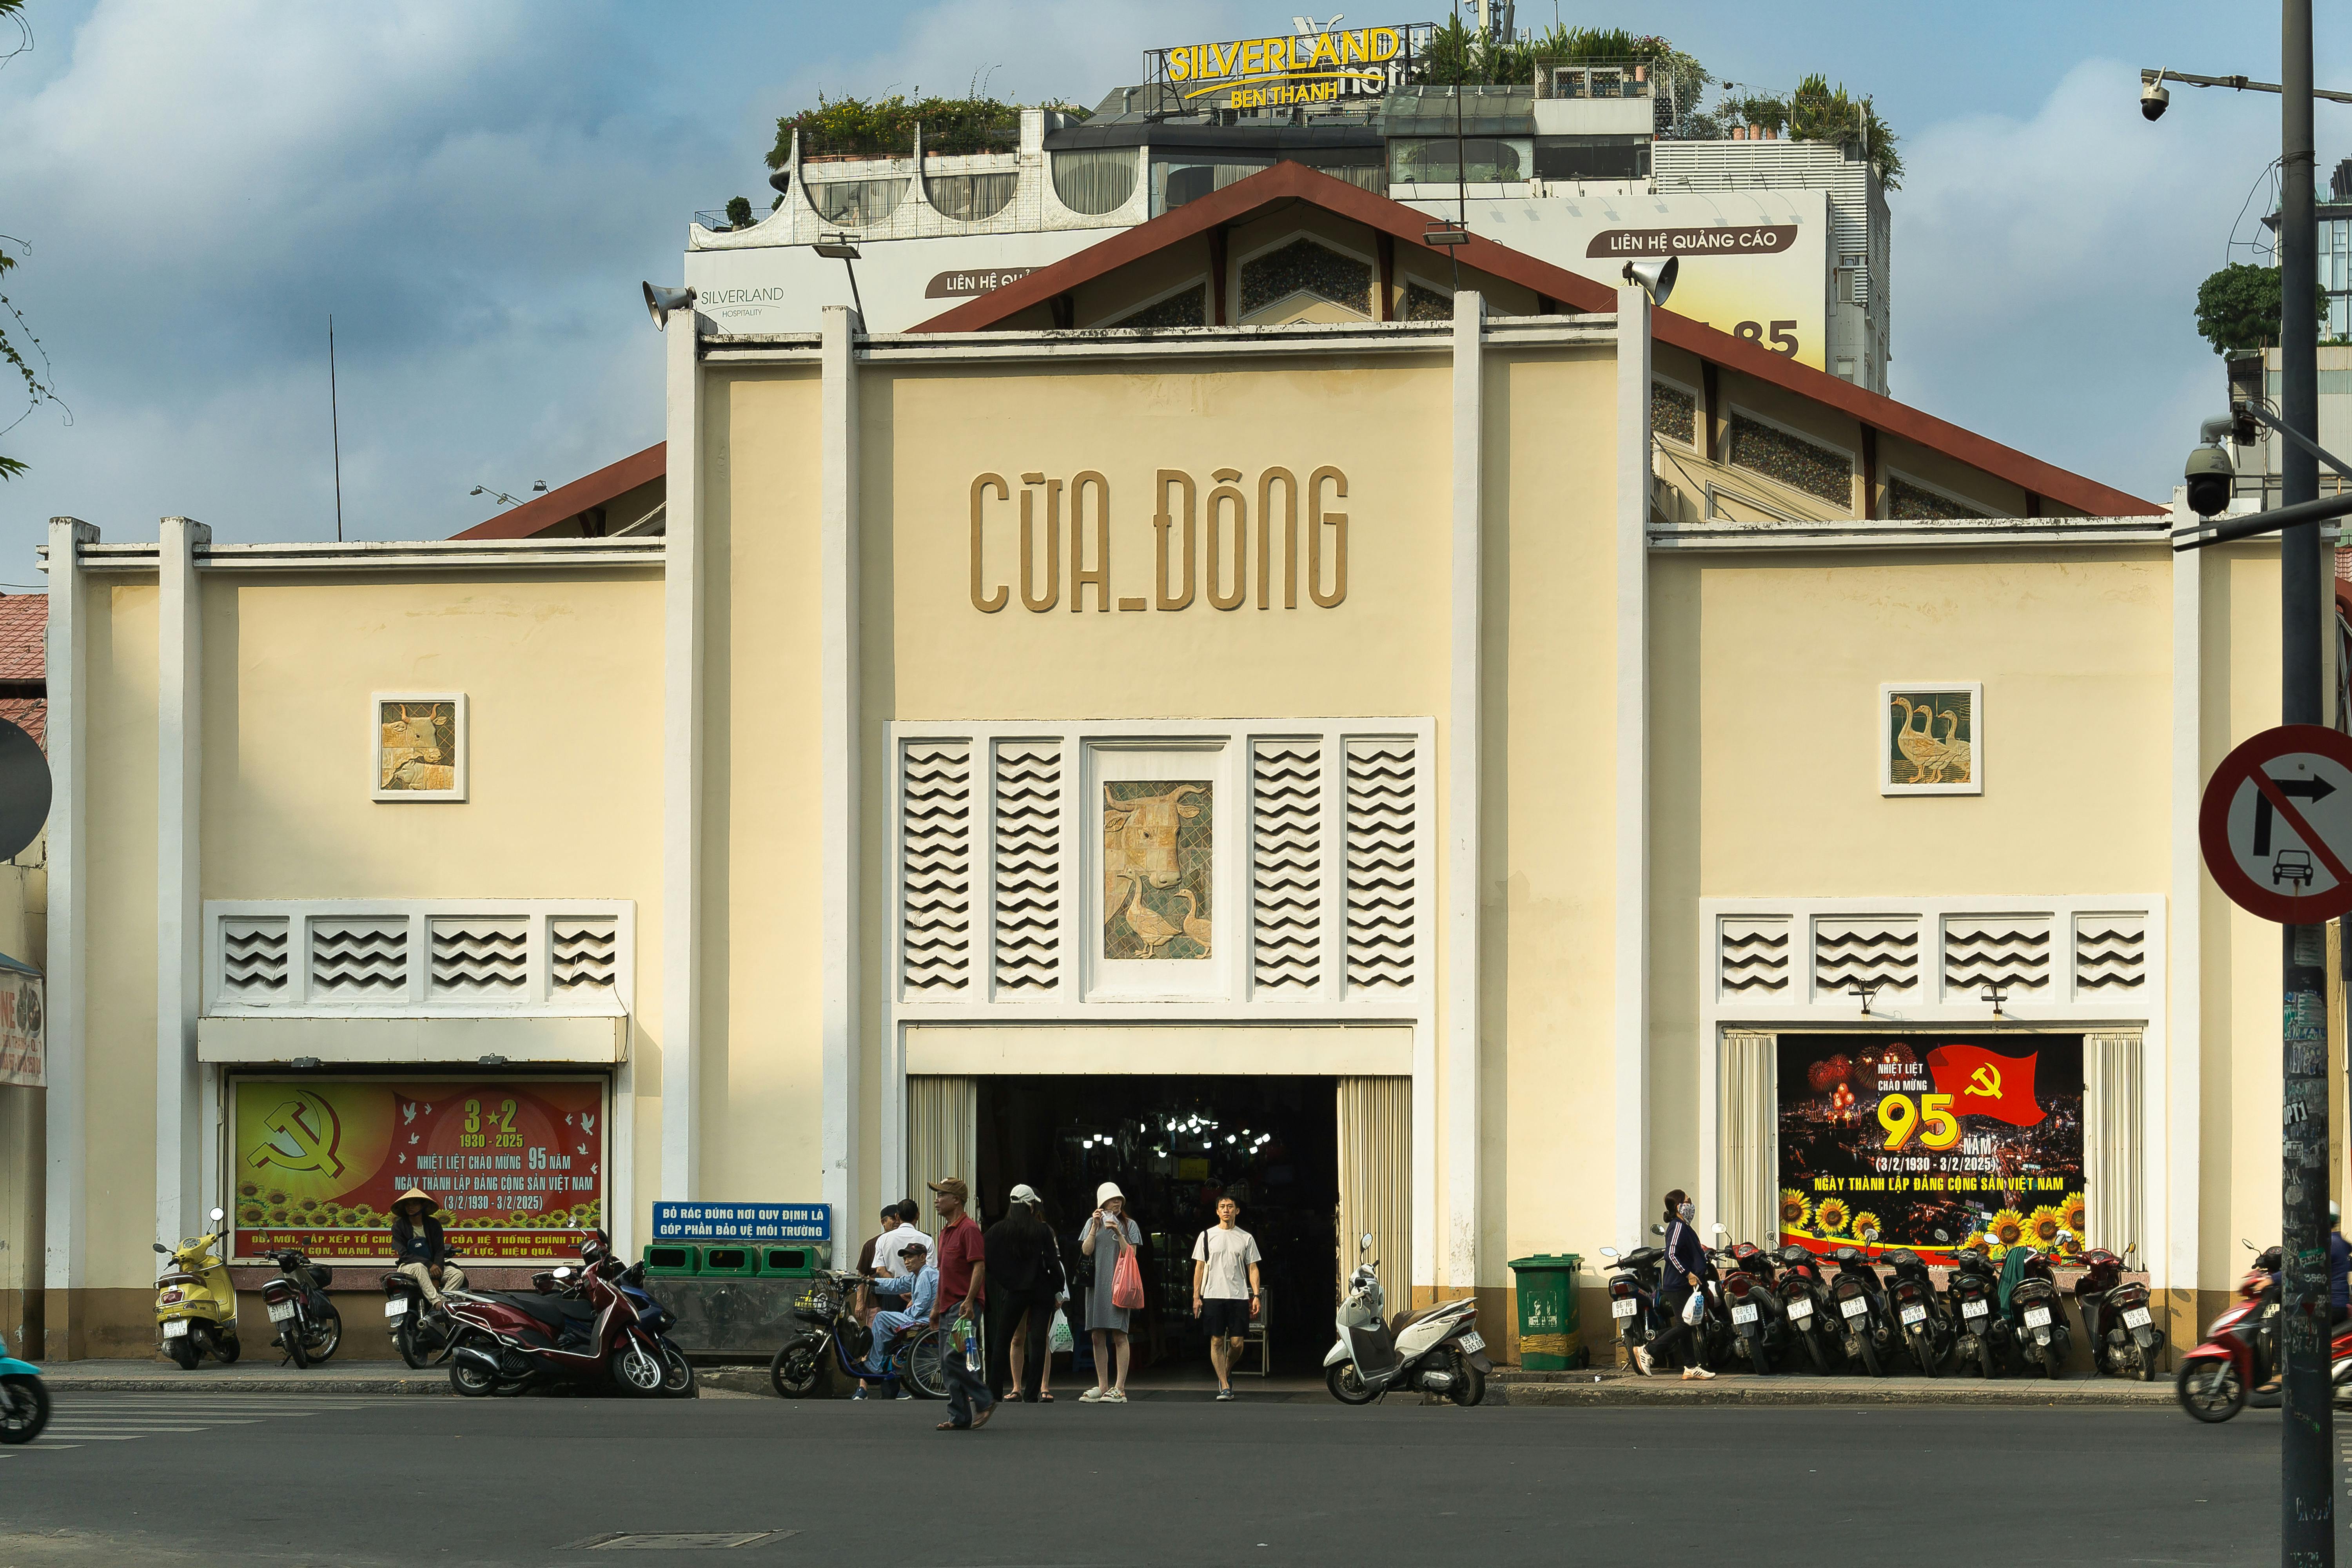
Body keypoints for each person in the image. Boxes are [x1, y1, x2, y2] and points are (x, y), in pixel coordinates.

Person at [928, 1176, 995, 1431]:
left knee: (954, 1356)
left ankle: (985, 1400)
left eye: (941, 1195)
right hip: (947, 1307)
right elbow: (945, 1274)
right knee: (947, 1362)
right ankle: (960, 1416)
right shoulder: (945, 1233)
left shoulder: (969, 1229)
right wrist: (936, 1306)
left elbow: (979, 1266)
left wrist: (970, 1300)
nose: (936, 1200)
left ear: (956, 1200)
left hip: (963, 1307)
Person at [1633, 1188, 1715, 1381]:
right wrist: (1688, 1274)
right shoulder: (1677, 1226)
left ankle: (1691, 1367)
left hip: (1684, 1285)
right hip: (1678, 1285)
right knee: (1685, 1326)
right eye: (1688, 1201)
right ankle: (1647, 1350)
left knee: (1686, 1325)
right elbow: (1670, 1254)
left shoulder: (1685, 1226)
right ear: (1679, 1207)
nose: (1691, 1204)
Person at [984, 1185, 1055, 1403]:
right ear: (1031, 1205)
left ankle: (994, 1392)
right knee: (1038, 1340)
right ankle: (1033, 1393)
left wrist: (1003, 1279)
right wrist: (1058, 1286)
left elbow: (983, 1254)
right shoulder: (1042, 1230)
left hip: (1015, 1291)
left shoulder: (999, 1229)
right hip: (1042, 1291)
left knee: (1003, 1339)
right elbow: (1053, 1262)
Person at [1191, 1194, 1262, 1400]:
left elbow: (1253, 1267)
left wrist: (1256, 1295)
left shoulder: (1246, 1237)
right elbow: (1199, 1267)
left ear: (1237, 1211)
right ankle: (1224, 1385)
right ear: (1217, 1211)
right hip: (1213, 1295)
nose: (1226, 1210)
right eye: (1222, 1207)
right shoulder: (1206, 1236)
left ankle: (1227, 1369)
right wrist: (1196, 1297)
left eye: (1230, 1207)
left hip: (1239, 1296)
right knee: (1217, 1341)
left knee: (1238, 1343)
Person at [1078, 1182, 1142, 1403]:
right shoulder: (1091, 1223)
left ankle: (1120, 1388)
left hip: (1119, 1286)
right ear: (1102, 1202)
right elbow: (1086, 1251)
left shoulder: (1129, 1225)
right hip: (1096, 1286)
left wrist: (1118, 1231)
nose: (1117, 1203)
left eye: (1119, 1200)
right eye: (1113, 1199)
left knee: (1119, 1334)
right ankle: (1103, 1385)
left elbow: (1131, 1254)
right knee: (1097, 1335)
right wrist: (1095, 1226)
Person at [1005, 1184, 1066, 1402]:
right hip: (1021, 1289)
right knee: (1019, 1338)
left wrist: (1059, 1291)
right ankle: (1016, 1387)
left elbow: (1054, 1262)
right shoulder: (1010, 1230)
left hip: (1040, 1288)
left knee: (1039, 1339)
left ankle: (1043, 1386)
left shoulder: (1045, 1230)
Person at [858, 1238, 936, 1402]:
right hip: (921, 1318)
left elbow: (921, 1305)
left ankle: (873, 1365)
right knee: (886, 1321)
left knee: (881, 1317)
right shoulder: (917, 1276)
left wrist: (907, 1313)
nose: (907, 1262)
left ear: (923, 1258)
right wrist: (868, 1281)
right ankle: (880, 1360)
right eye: (905, 1259)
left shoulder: (926, 1275)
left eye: (911, 1258)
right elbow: (896, 1285)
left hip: (923, 1322)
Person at [389, 1187, 467, 1312]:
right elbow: (404, 1254)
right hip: (408, 1267)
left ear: (423, 1206)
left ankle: (443, 1301)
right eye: (408, 1205)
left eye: (415, 1204)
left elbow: (439, 1251)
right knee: (419, 1267)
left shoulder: (434, 1225)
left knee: (457, 1274)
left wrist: (437, 1276)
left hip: (432, 1267)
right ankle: (436, 1303)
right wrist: (429, 1265)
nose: (411, 1207)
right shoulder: (398, 1227)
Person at [2331, 1202, 2349, 1328]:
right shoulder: (2337, 1242)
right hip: (2336, 1305)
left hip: (2329, 1307)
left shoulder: (2328, 1244)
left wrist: (2273, 1279)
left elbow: (2299, 1265)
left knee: (2281, 1318)